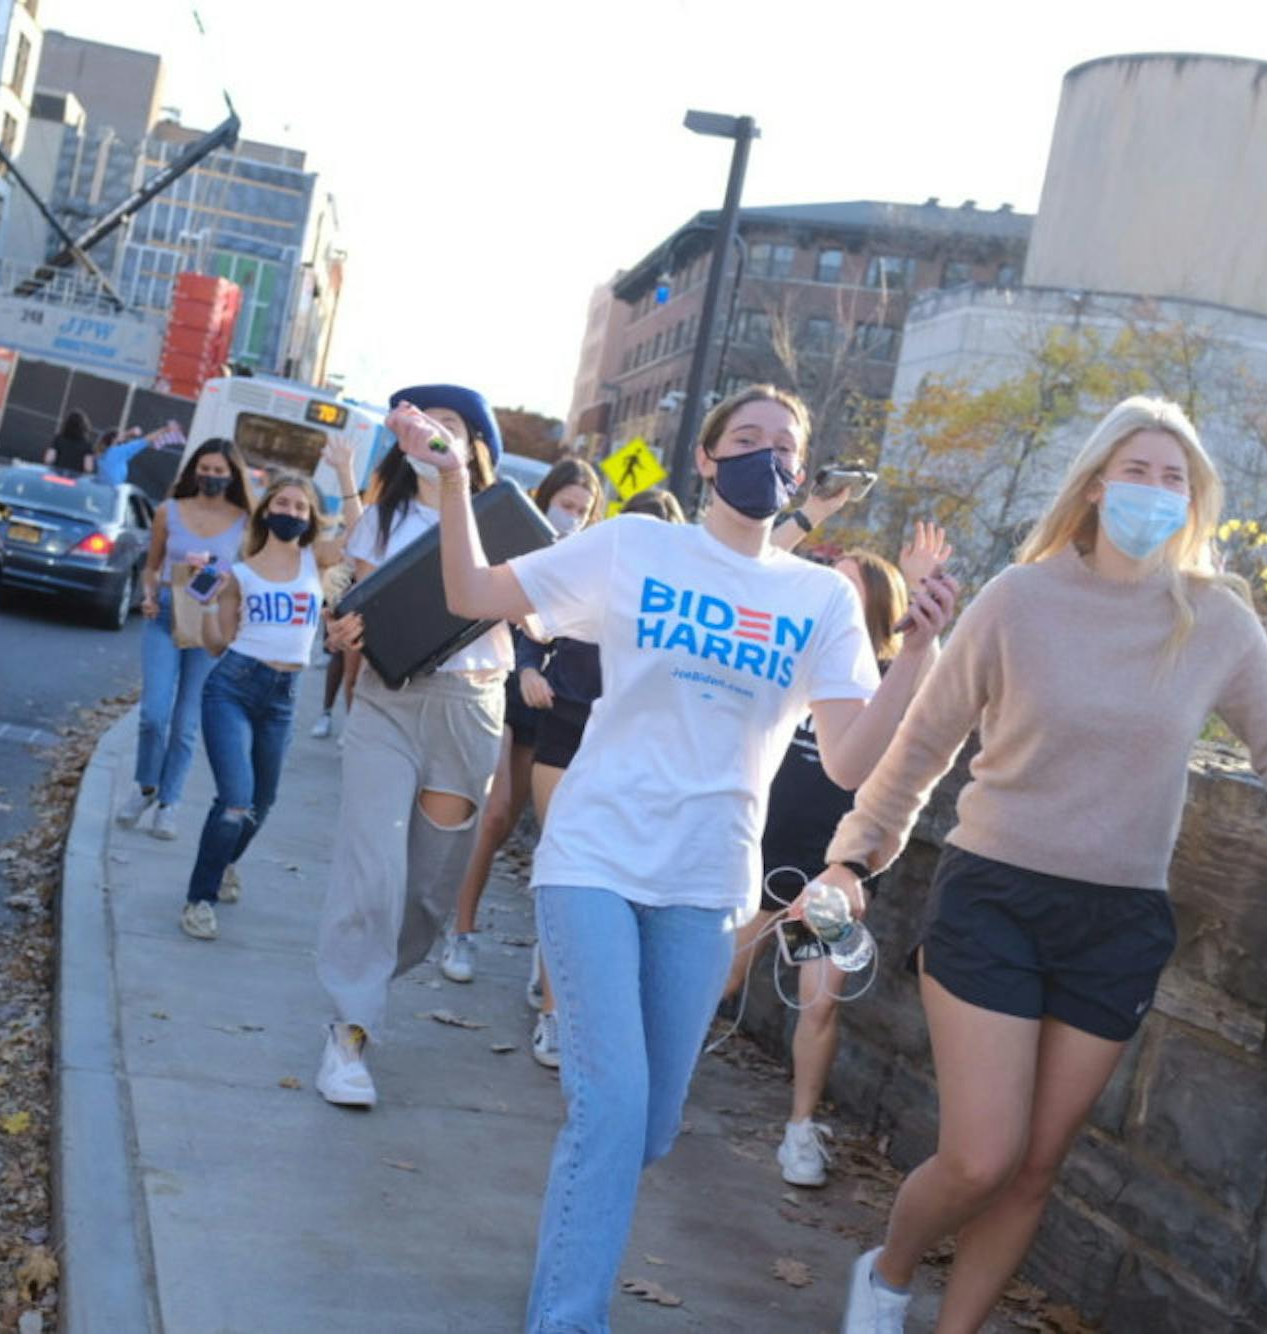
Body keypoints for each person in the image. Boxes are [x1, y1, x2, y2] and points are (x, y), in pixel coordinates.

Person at [404, 384, 958, 1332]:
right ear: (706, 459)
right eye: (745, 438)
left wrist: (917, 656)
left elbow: (852, 761)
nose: (765, 455)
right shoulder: (636, 545)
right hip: (594, 856)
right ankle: (567, 1318)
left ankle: (571, 1248)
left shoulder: (820, 597)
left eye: (785, 445)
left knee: (648, 1128)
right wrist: (455, 482)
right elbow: (472, 593)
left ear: (801, 473)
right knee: (612, 1110)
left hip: (707, 883)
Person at [819, 396, 1267, 1334]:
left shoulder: (1214, 619)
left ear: (1194, 501)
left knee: (1033, 1168)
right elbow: (924, 746)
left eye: (1174, 479)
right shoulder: (1019, 599)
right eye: (1137, 471)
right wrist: (855, 857)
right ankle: (887, 1275)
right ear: (1095, 486)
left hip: (1118, 922)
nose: (1155, 491)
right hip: (995, 898)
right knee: (981, 1156)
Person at [311, 383, 510, 1109]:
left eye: (448, 424)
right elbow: (367, 614)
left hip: (471, 709)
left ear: (473, 445)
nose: (432, 433)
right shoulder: (382, 518)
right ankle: (349, 1030)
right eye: (422, 423)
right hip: (388, 704)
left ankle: (365, 981)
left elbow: (538, 612)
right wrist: (344, 632)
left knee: (425, 897)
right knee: (372, 872)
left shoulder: (501, 521)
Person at [721, 542, 939, 1187]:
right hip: (758, 859)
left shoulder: (895, 676)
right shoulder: (797, 658)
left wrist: (923, 598)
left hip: (829, 877)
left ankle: (800, 1131)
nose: (831, 592)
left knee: (819, 1003)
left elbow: (937, 693)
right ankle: (652, 1086)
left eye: (848, 585)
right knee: (718, 981)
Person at [516, 484, 692, 1069]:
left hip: (631, 748)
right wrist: (528, 671)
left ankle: (562, 976)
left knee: (605, 875)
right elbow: (530, 623)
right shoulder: (593, 576)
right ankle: (553, 1014)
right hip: (566, 726)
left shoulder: (678, 604)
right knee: (561, 860)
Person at [440, 457, 604, 988]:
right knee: (494, 813)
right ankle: (461, 930)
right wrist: (528, 662)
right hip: (503, 680)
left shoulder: (590, 559)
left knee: (521, 825)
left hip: (550, 698)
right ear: (545, 498)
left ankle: (544, 955)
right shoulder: (518, 538)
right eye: (565, 505)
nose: (571, 517)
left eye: (582, 510)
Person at [178, 461, 359, 940]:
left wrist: (345, 474)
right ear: (265, 511)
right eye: (283, 503)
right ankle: (199, 899)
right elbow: (216, 645)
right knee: (235, 801)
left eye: (301, 507)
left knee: (263, 801)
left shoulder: (316, 561)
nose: (291, 512)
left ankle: (224, 862)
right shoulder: (238, 573)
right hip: (233, 687)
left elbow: (362, 537)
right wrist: (207, 603)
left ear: (311, 517)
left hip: (282, 697)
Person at [116, 440, 252, 840]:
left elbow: (248, 574)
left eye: (219, 470)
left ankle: (169, 803)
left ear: (232, 475)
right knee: (153, 713)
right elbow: (152, 566)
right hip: (164, 614)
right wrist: (147, 595)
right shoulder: (168, 511)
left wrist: (219, 573)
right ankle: (145, 787)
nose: (211, 476)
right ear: (194, 470)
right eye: (204, 468)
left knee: (186, 723)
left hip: (208, 622)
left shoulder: (244, 521)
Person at [44, 409, 97, 474]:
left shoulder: (58, 439)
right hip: (75, 478)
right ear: (84, 426)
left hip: (58, 475)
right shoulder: (87, 445)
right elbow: (88, 468)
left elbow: (48, 459)